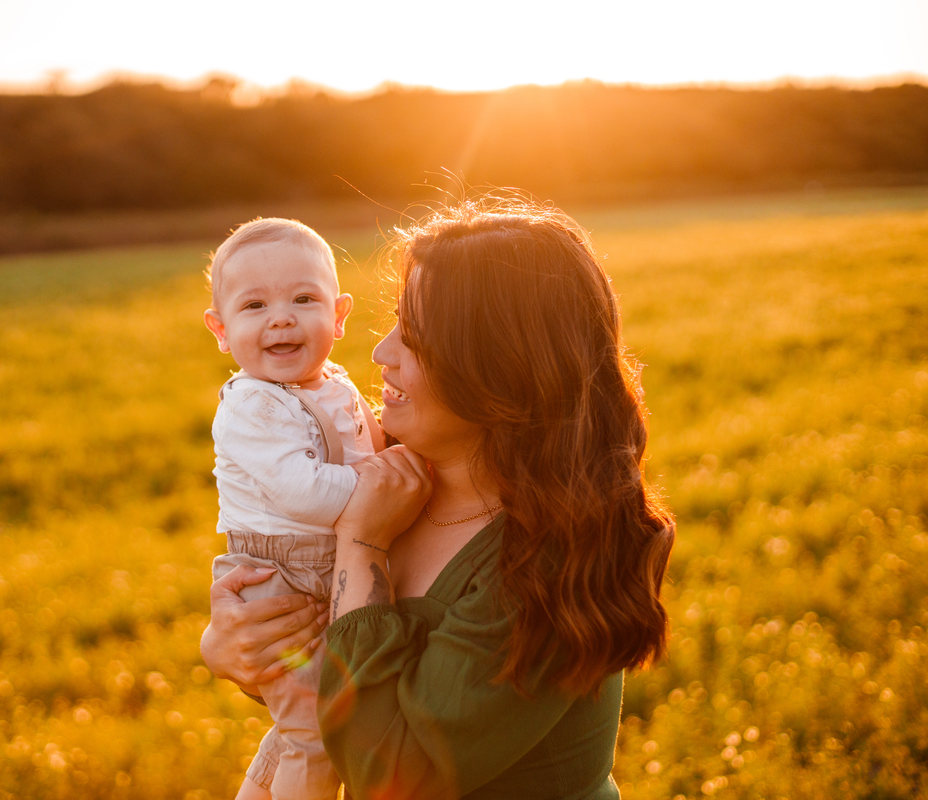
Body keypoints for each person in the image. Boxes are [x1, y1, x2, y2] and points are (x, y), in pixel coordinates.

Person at [202, 199, 675, 799]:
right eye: (396, 321)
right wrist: (230, 648)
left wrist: (362, 543)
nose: (381, 352)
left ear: (500, 365)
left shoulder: (549, 557)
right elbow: (323, 685)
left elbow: (390, 773)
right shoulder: (387, 469)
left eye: (418, 336)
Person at [203, 218, 384, 800]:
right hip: (276, 575)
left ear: (339, 315)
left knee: (304, 718)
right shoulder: (250, 406)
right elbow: (303, 492)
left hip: (318, 566)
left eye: (303, 299)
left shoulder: (335, 383)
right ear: (221, 330)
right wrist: (379, 488)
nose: (281, 317)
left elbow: (373, 444)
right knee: (314, 727)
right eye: (254, 305)